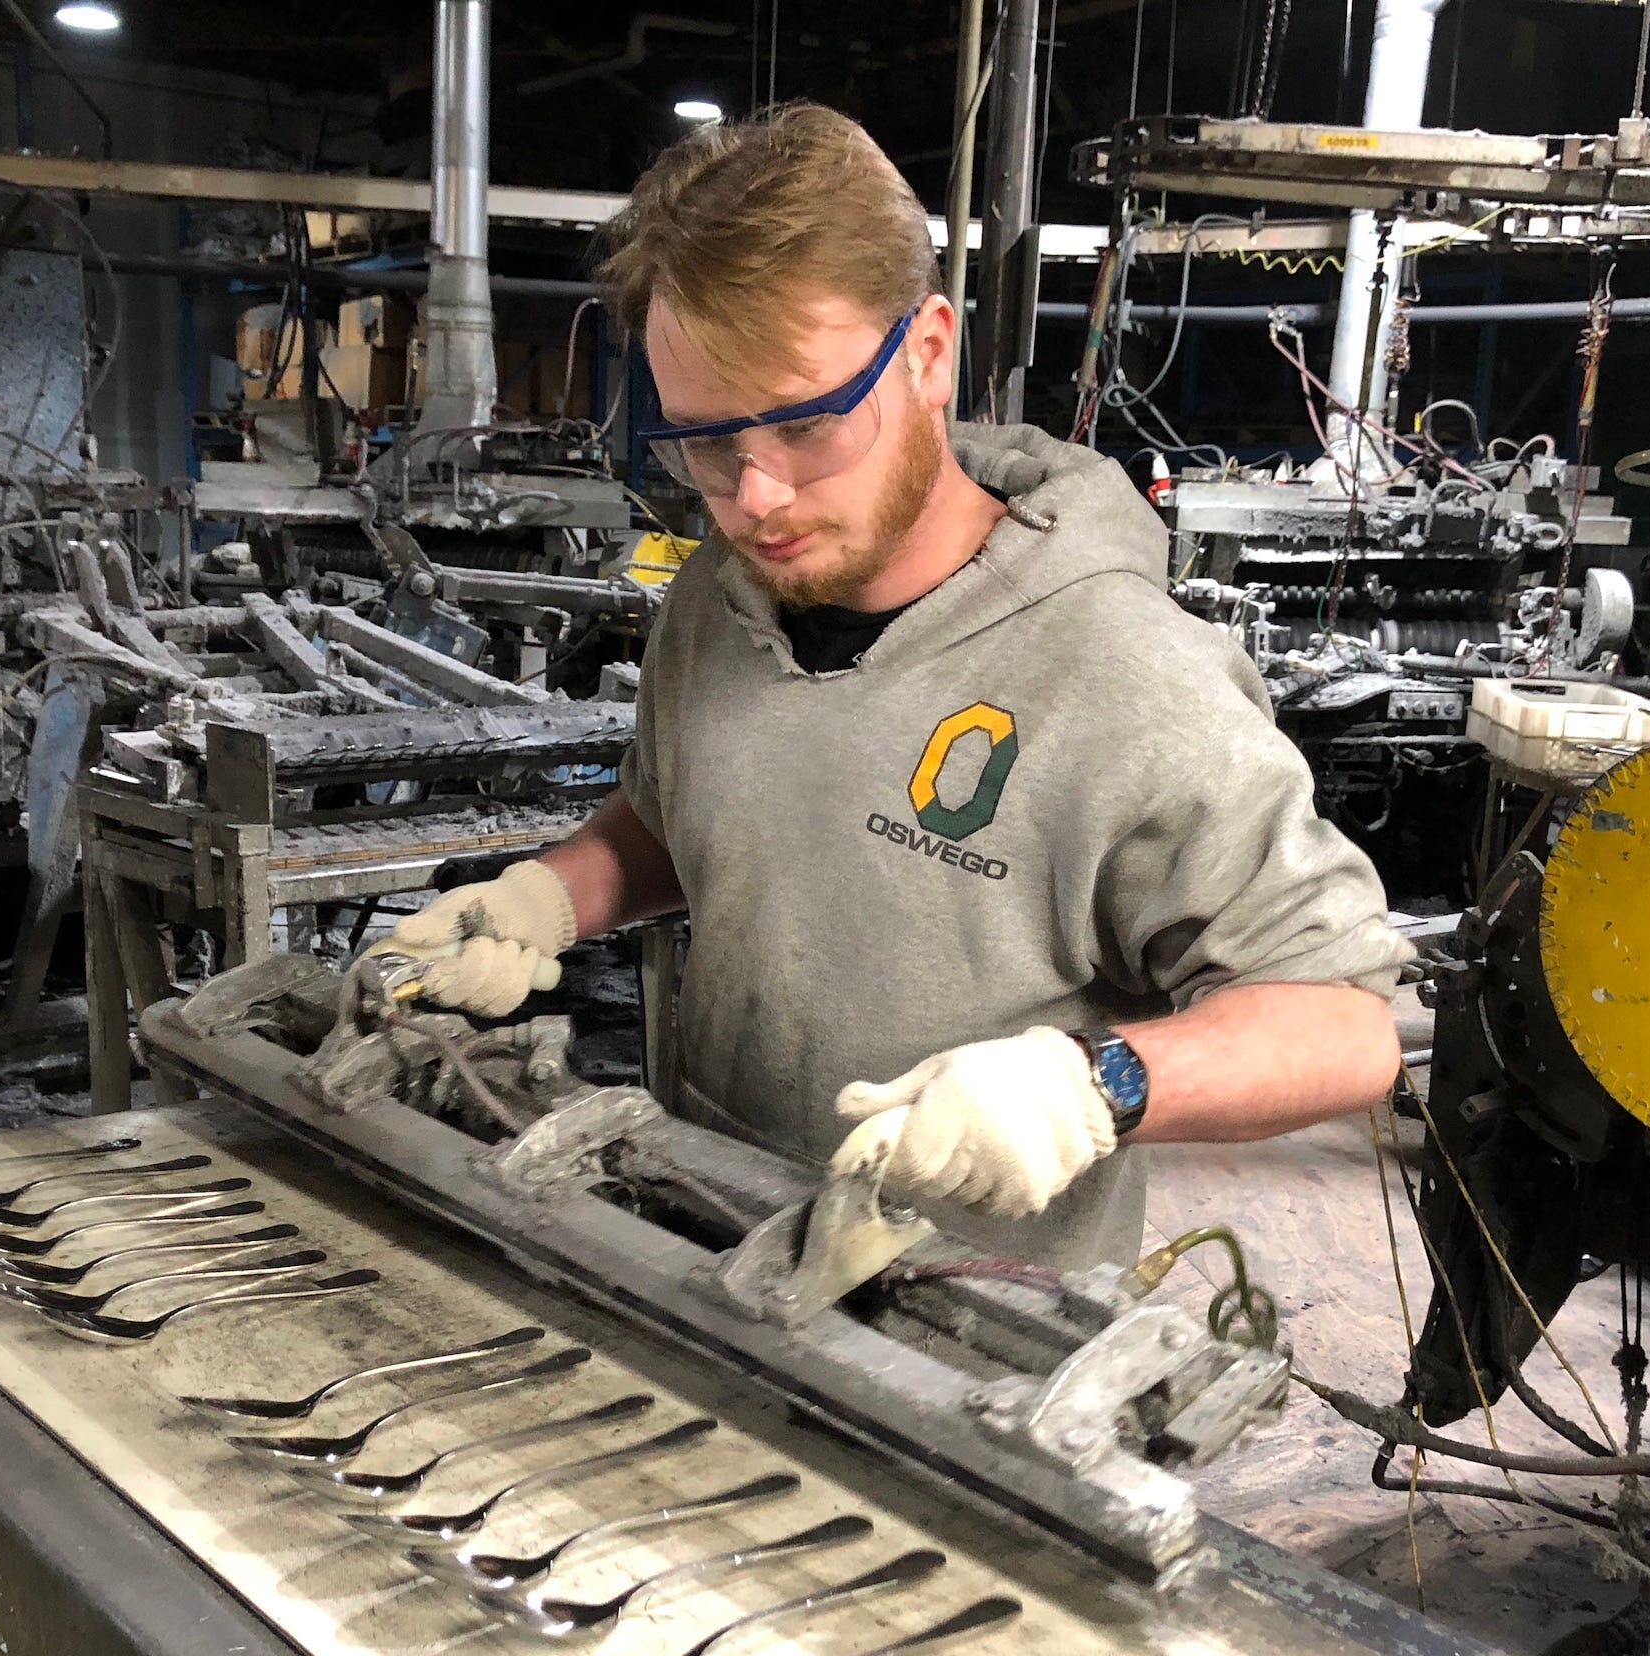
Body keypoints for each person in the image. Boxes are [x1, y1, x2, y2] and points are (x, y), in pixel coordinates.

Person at [371, 103, 1410, 1270]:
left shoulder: (1124, 673)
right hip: (707, 1245)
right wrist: (551, 899)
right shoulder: (718, 598)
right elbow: (700, 817)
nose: (753, 498)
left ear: (924, 352)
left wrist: (1097, 1084)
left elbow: (1340, 1022)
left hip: (974, 1336)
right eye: (706, 443)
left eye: (807, 425)